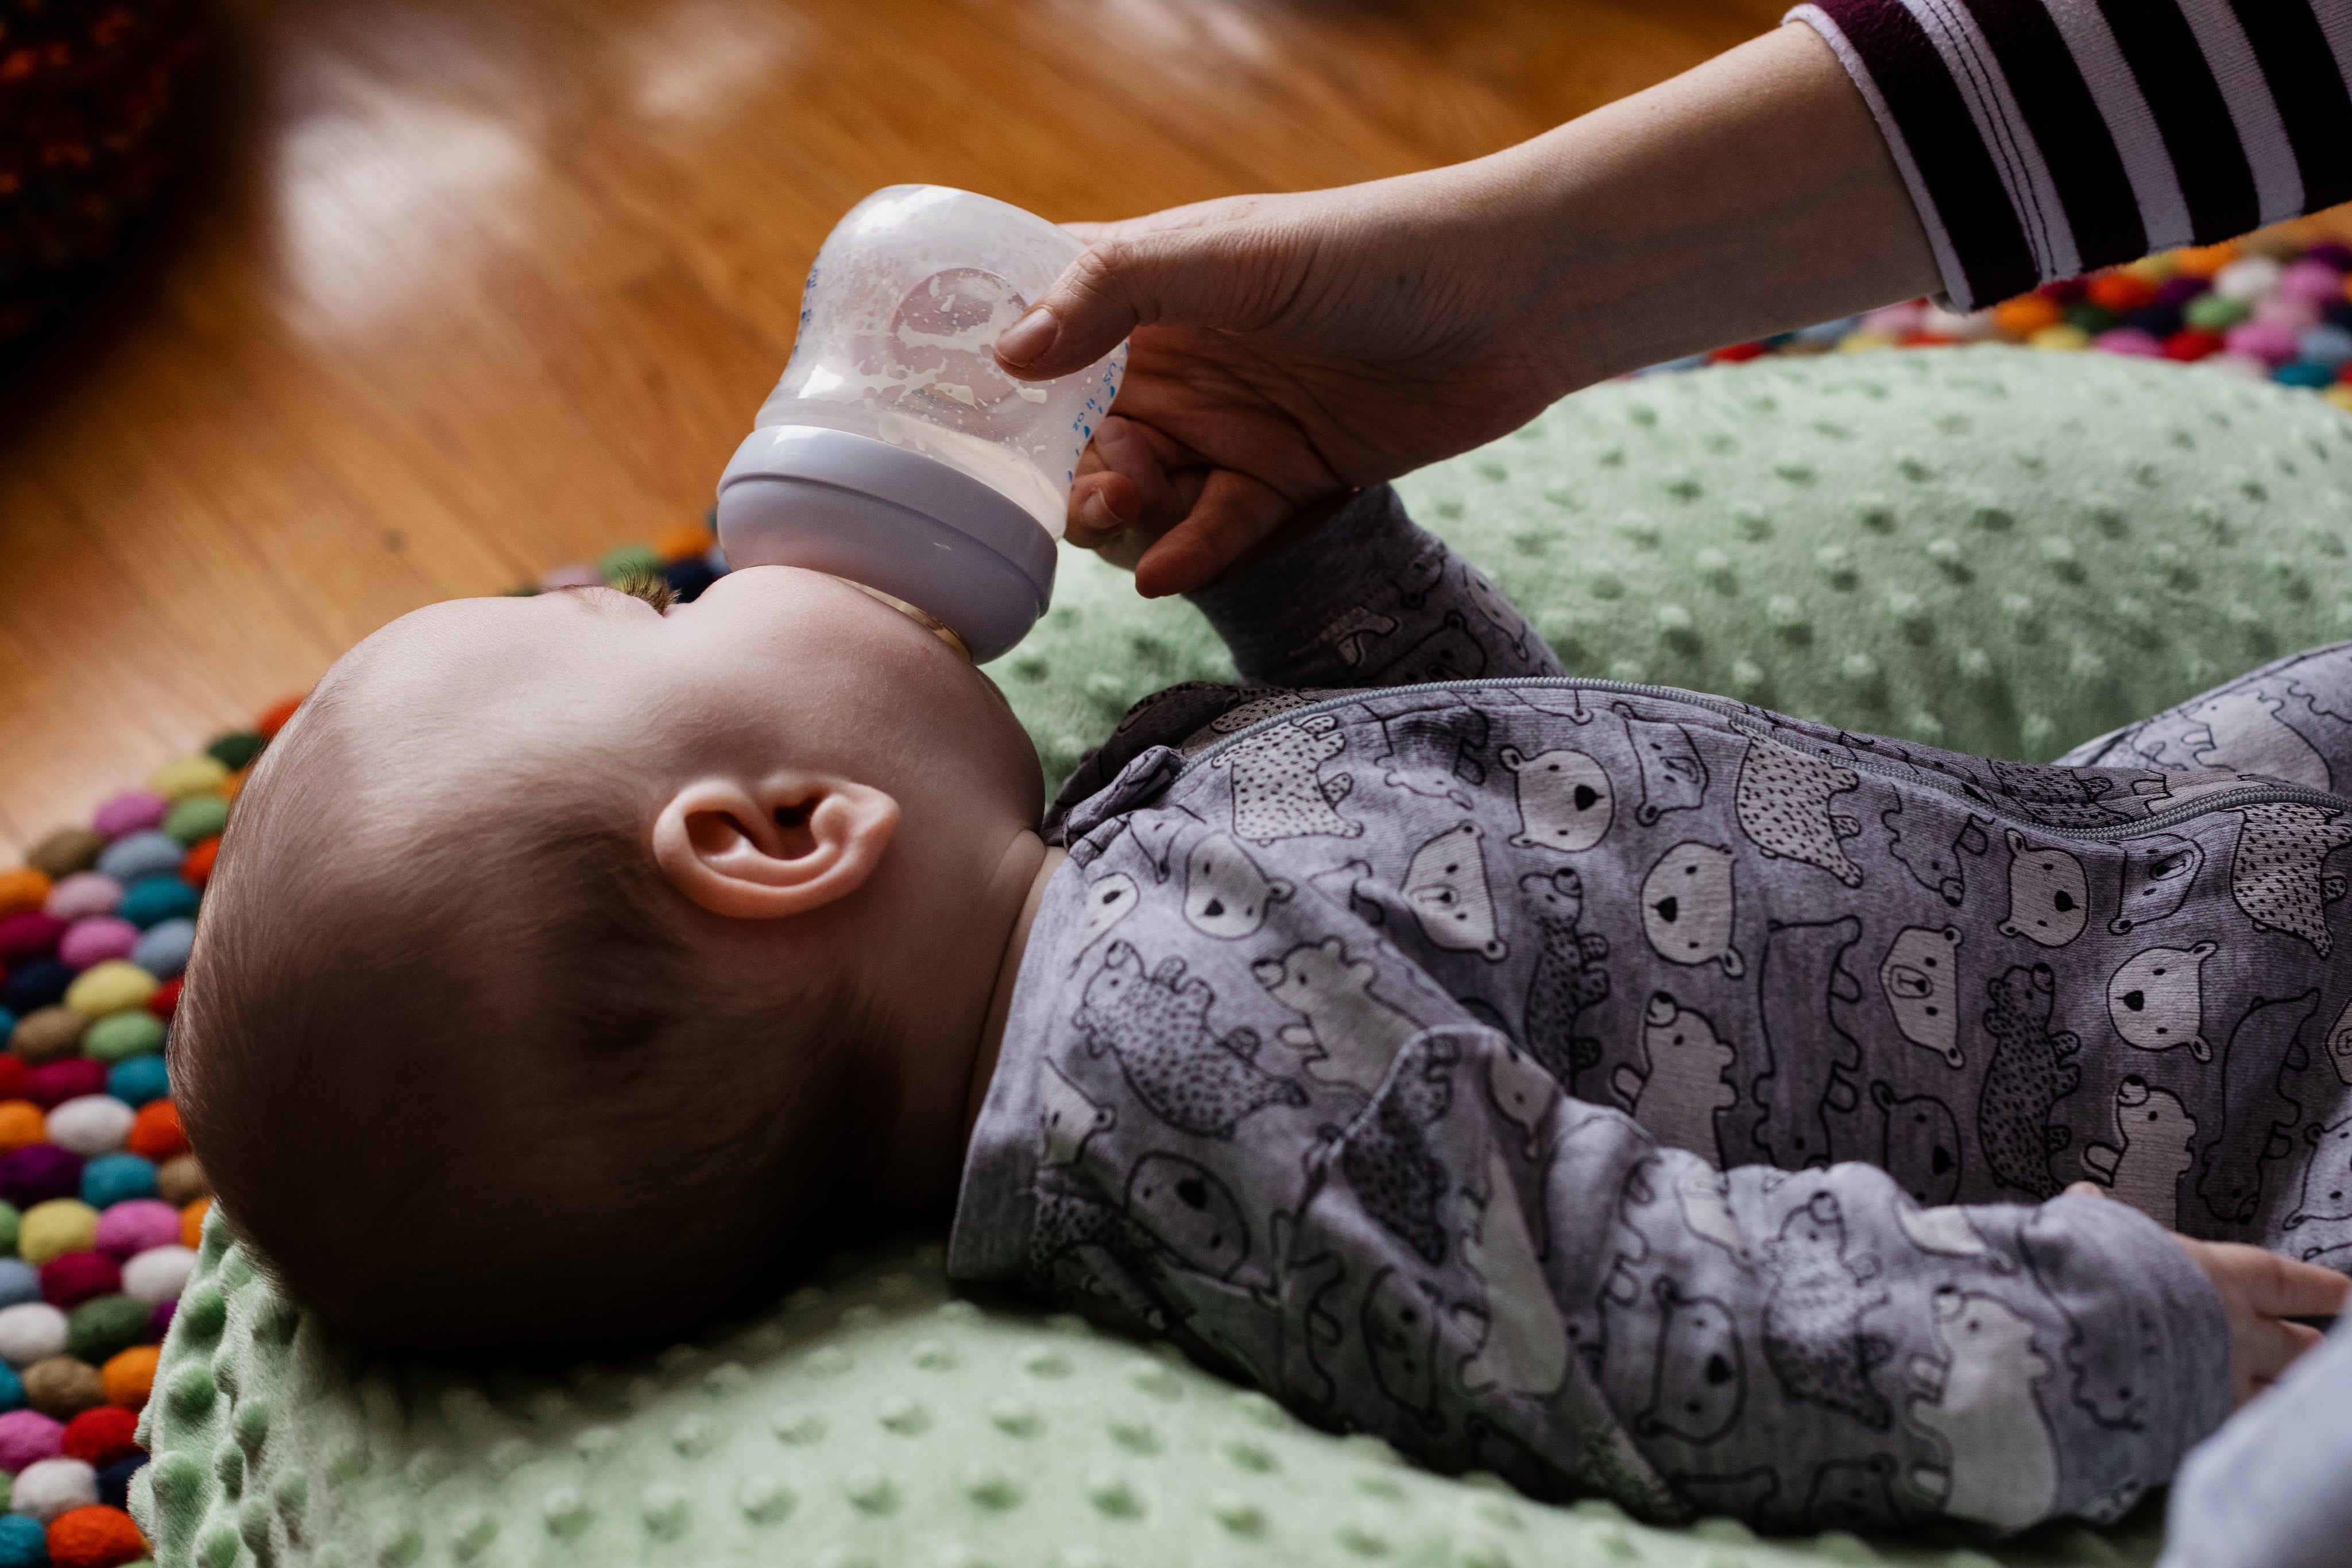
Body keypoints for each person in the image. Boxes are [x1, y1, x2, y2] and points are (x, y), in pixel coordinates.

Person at [171, 1, 2352, 1540]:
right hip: (2218, 1114)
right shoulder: (1177, 1088)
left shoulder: (1128, 867)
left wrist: (1324, 565)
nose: (690, 579)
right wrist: (2105, 1337)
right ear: (776, 839)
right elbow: (1655, 1319)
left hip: (2174, 873)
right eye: (658, 622)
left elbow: (1547, 832)